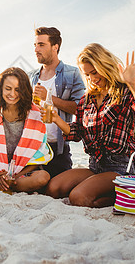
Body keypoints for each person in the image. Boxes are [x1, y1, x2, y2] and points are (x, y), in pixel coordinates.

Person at [43, 43, 135, 208]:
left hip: (121, 168)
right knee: (53, 188)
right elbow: (77, 132)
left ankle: (129, 196)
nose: (92, 79)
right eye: (87, 75)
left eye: (94, 72)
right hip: (95, 166)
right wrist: (56, 119)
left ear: (104, 66)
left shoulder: (124, 91)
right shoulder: (86, 99)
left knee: (78, 197)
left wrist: (132, 83)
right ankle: (113, 194)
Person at [29, 27, 86, 179]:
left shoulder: (72, 73)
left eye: (41, 45)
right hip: (33, 147)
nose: (36, 49)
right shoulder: (31, 77)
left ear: (55, 47)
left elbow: (80, 108)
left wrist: (49, 98)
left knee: (58, 191)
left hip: (59, 149)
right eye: (35, 45)